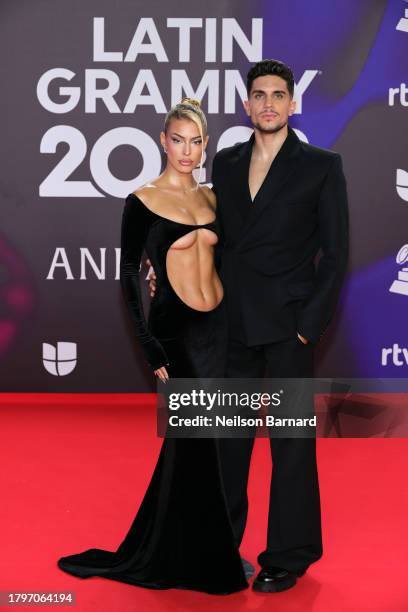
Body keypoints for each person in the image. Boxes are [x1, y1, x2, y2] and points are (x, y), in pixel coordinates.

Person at [150, 59, 349, 593]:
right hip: (231, 323)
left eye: (277, 95)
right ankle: (221, 545)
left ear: (292, 103)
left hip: (288, 327)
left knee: (290, 444)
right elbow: (208, 238)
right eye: (258, 95)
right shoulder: (230, 162)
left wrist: (309, 326)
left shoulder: (320, 166)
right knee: (226, 442)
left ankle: (289, 554)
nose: (268, 104)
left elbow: (335, 255)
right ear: (246, 104)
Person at [56, 98, 248, 595]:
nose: (187, 150)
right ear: (164, 141)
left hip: (219, 328)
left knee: (207, 445)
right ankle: (198, 559)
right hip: (177, 333)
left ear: (205, 145)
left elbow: (229, 258)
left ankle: (192, 547)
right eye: (178, 140)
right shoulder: (142, 200)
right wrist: (150, 347)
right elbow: (126, 277)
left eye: (196, 141)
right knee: (198, 443)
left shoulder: (213, 198)